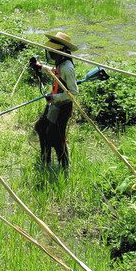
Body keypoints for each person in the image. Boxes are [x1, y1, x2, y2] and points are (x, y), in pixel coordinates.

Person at [29, 32, 79, 171]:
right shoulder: (60, 62)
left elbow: (73, 93)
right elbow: (55, 71)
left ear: (62, 51)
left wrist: (54, 98)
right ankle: (45, 161)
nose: (51, 54)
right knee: (41, 128)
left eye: (53, 51)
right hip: (54, 104)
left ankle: (64, 167)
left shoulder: (68, 68)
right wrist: (40, 67)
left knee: (56, 137)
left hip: (62, 107)